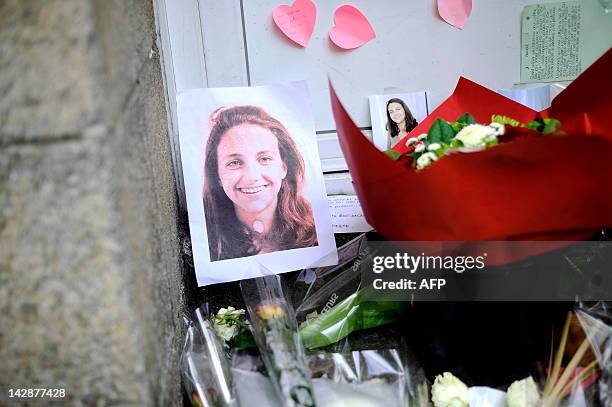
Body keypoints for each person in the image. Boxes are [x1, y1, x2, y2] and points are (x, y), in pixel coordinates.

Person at [203, 105, 318, 261]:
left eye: (264, 159)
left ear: (283, 168)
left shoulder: (316, 230)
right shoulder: (205, 242)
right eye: (235, 162)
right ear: (217, 175)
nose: (251, 177)